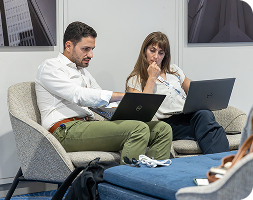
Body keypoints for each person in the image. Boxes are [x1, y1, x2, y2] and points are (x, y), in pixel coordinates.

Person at [35, 22, 173, 164]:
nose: (91, 54)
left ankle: (152, 181)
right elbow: (78, 95)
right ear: (68, 46)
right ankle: (126, 184)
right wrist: (123, 95)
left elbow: (102, 100)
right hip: (63, 132)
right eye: (86, 49)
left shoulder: (83, 72)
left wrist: (127, 107)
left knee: (162, 129)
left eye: (92, 49)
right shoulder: (50, 67)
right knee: (138, 129)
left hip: (87, 125)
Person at [126, 31, 229, 154]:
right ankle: (224, 163)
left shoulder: (174, 70)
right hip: (166, 123)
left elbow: (195, 92)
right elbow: (141, 110)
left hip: (188, 115)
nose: (156, 57)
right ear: (144, 51)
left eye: (161, 53)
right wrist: (151, 78)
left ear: (165, 55)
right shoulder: (135, 78)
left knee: (205, 115)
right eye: (152, 50)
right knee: (212, 130)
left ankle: (223, 163)